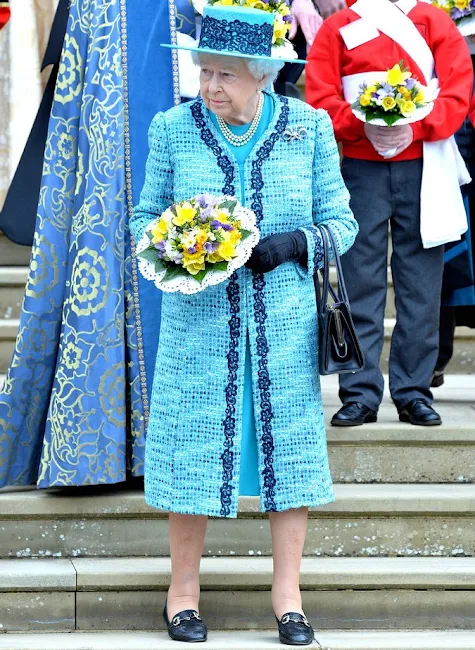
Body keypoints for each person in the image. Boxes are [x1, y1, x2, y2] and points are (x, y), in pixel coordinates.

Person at [130, 3, 358, 644]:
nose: (210, 88)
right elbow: (143, 217)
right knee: (192, 453)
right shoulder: (174, 129)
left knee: (290, 460)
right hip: (198, 331)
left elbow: (343, 223)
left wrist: (294, 243)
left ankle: (288, 599)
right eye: (204, 72)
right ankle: (182, 595)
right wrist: (176, 243)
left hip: (283, 328)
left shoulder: (308, 129)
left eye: (225, 75)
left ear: (262, 73)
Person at [0, 0, 178, 488]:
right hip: (120, 77)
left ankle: (181, 446)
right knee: (108, 239)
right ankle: (99, 446)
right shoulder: (103, 9)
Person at [307, 0, 473, 427]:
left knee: (421, 282)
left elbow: (457, 90)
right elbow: (320, 95)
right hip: (359, 165)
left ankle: (413, 391)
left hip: (425, 163)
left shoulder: (434, 21)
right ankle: (358, 392)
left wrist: (415, 126)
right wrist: (360, 123)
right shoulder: (339, 25)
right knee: (356, 280)